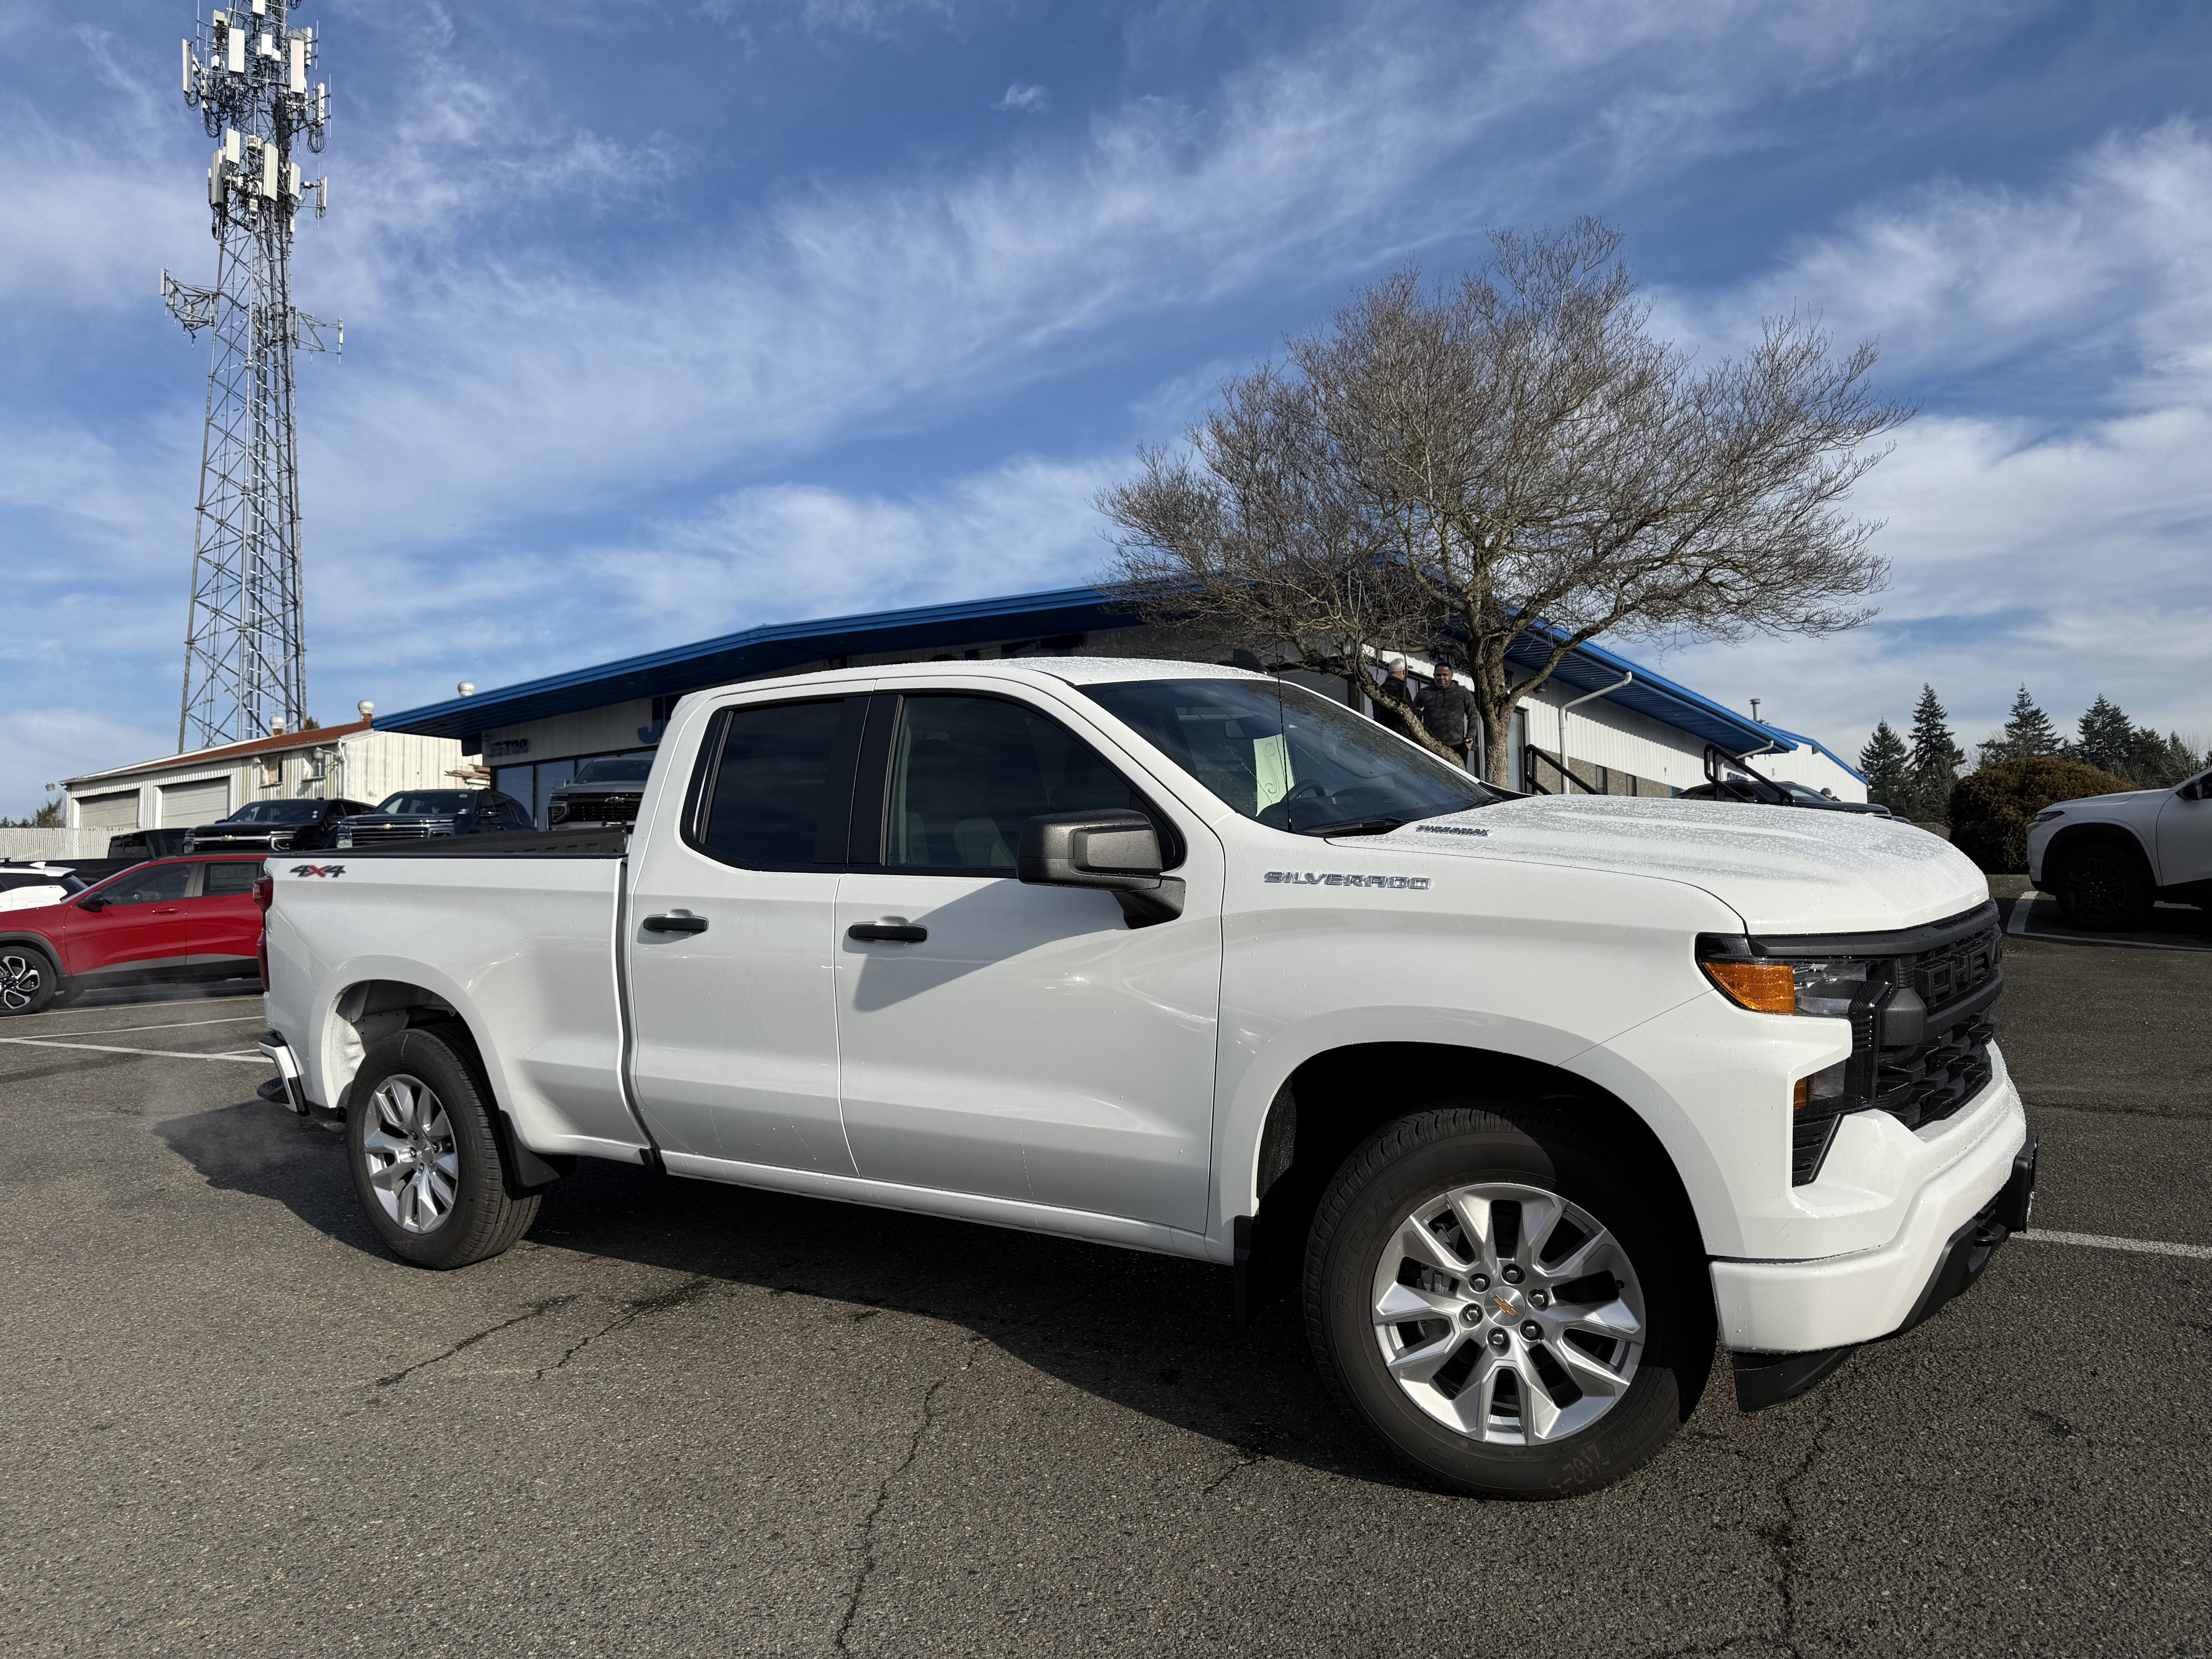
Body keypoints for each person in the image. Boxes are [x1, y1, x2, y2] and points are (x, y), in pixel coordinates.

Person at [1417, 663, 1479, 768]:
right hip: (1431, 744)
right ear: (1434, 676)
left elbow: (1473, 714)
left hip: (1458, 746)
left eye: (1445, 675)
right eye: (1438, 675)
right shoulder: (1424, 693)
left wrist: (1469, 739)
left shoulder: (1462, 692)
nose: (1442, 678)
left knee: (1458, 780)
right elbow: (1414, 714)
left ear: (1451, 676)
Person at [1373, 657, 1425, 742]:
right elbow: (1408, 714)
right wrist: (1419, 712)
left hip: (1381, 733)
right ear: (1404, 672)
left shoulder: (1380, 689)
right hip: (1399, 735)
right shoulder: (1401, 689)